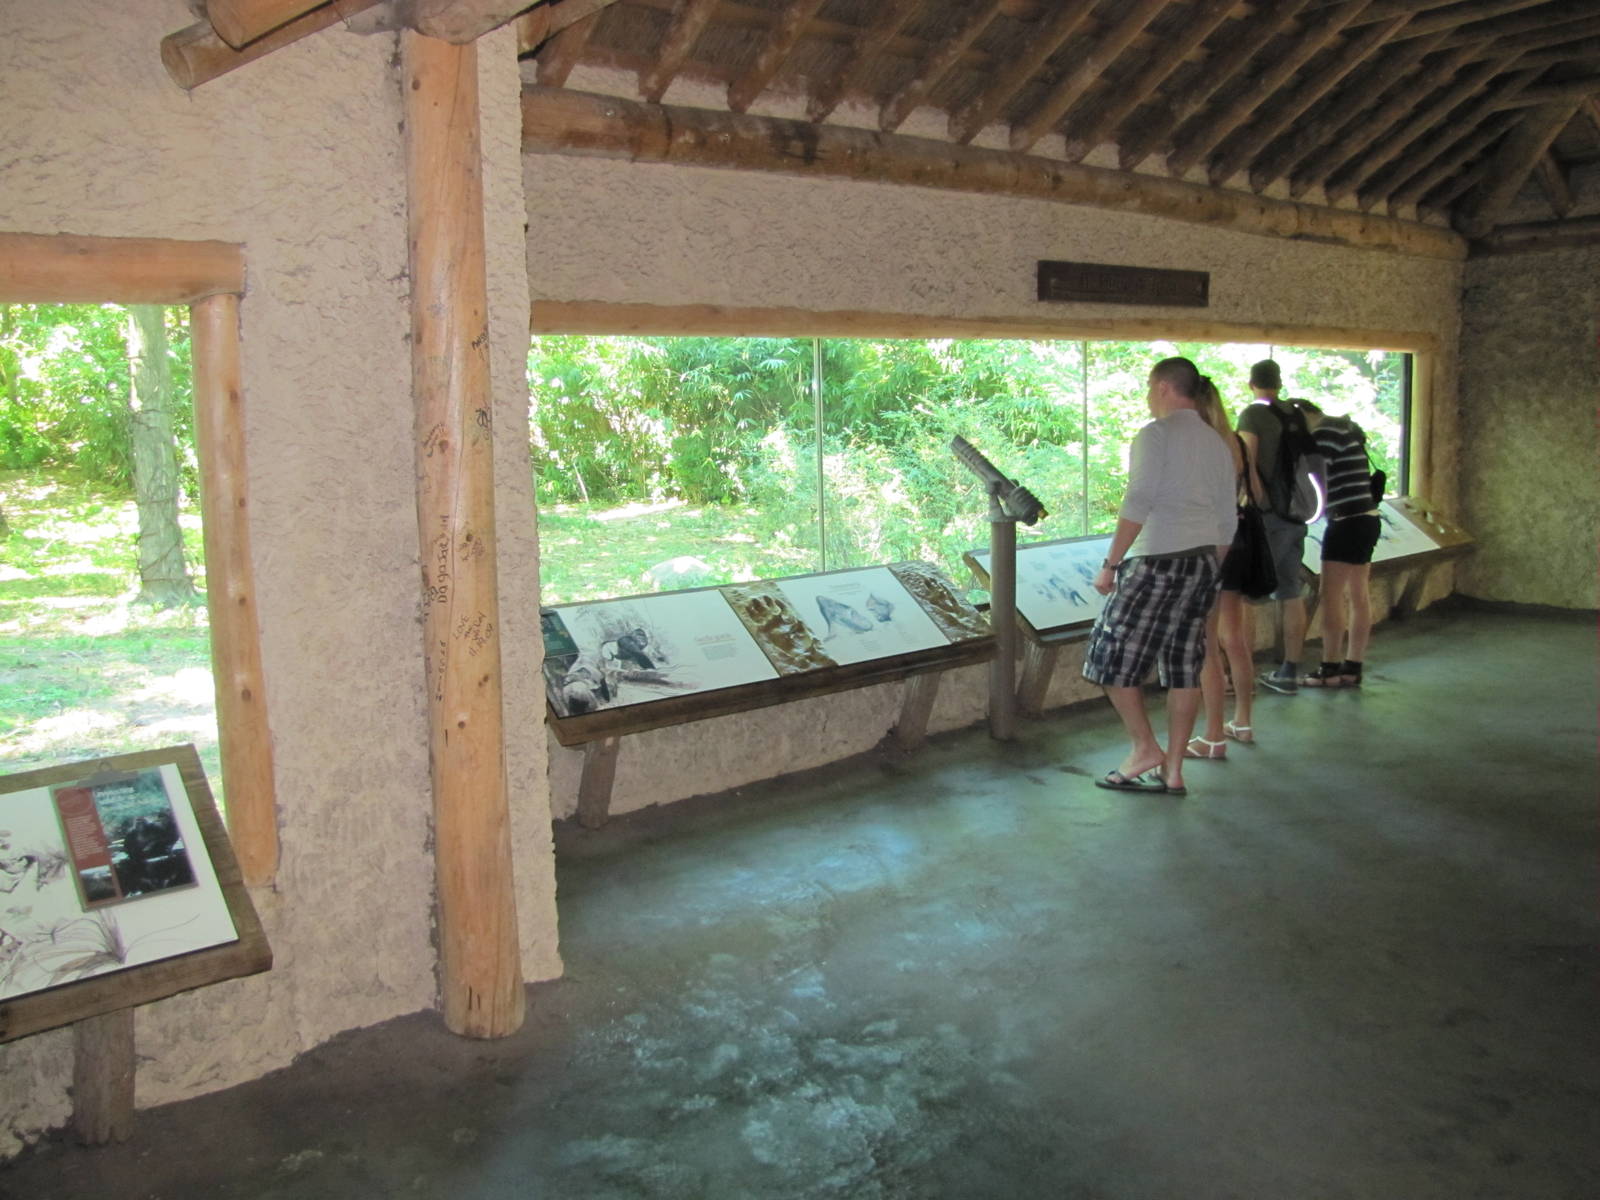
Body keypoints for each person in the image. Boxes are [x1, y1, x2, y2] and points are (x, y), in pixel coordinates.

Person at [1082, 357, 1237, 797]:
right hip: (1204, 562)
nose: (1149, 398)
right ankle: (1173, 770)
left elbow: (1139, 498)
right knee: (1183, 665)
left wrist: (1111, 563)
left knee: (1107, 658)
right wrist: (1210, 565)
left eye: (1151, 390)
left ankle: (1144, 748)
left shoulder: (1156, 435)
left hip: (1158, 560)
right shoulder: (1216, 442)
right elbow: (1228, 519)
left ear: (1166, 387)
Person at [1185, 389, 1268, 759]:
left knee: (1207, 646)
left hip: (1211, 546)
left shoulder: (1199, 445)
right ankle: (1244, 721)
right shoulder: (1236, 442)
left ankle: (1213, 736)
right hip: (1241, 541)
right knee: (1234, 638)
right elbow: (1260, 495)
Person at [1236, 359, 1312, 696]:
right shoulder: (1295, 414)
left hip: (1266, 517)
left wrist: (1251, 503)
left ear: (1251, 383)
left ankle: (1244, 675)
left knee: (1246, 597)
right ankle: (1290, 670)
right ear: (1279, 384)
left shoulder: (1252, 414)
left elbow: (1246, 460)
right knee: (1290, 592)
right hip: (1296, 513)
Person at [1300, 403, 1381, 687]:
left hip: (1345, 521)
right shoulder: (1345, 428)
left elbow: (1312, 479)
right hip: (1368, 518)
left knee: (1331, 595)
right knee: (1359, 594)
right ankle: (1353, 665)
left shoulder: (1324, 433)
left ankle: (1329, 666)